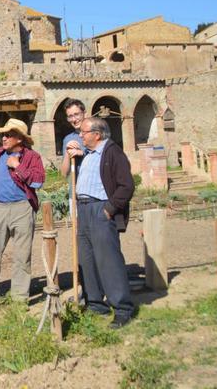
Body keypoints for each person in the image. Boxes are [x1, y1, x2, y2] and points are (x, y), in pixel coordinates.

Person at [0, 118, 45, 315]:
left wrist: (17, 167)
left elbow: (38, 182)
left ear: (20, 138)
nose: (3, 138)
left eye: (8, 134)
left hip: (23, 209)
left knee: (22, 256)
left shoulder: (32, 157)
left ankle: (19, 300)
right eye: (3, 134)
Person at [72, 117, 135, 328]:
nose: (80, 135)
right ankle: (96, 304)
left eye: (84, 132)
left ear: (96, 134)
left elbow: (126, 186)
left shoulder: (112, 153)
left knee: (108, 260)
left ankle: (122, 308)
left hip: (101, 209)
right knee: (87, 260)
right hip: (84, 210)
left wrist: (110, 209)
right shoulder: (89, 154)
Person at [60, 99, 86, 177]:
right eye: (70, 116)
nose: (74, 119)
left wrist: (83, 154)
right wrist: (68, 153)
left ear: (84, 113)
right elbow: (64, 174)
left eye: (76, 114)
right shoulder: (68, 139)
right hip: (75, 187)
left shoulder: (97, 134)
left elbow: (104, 160)